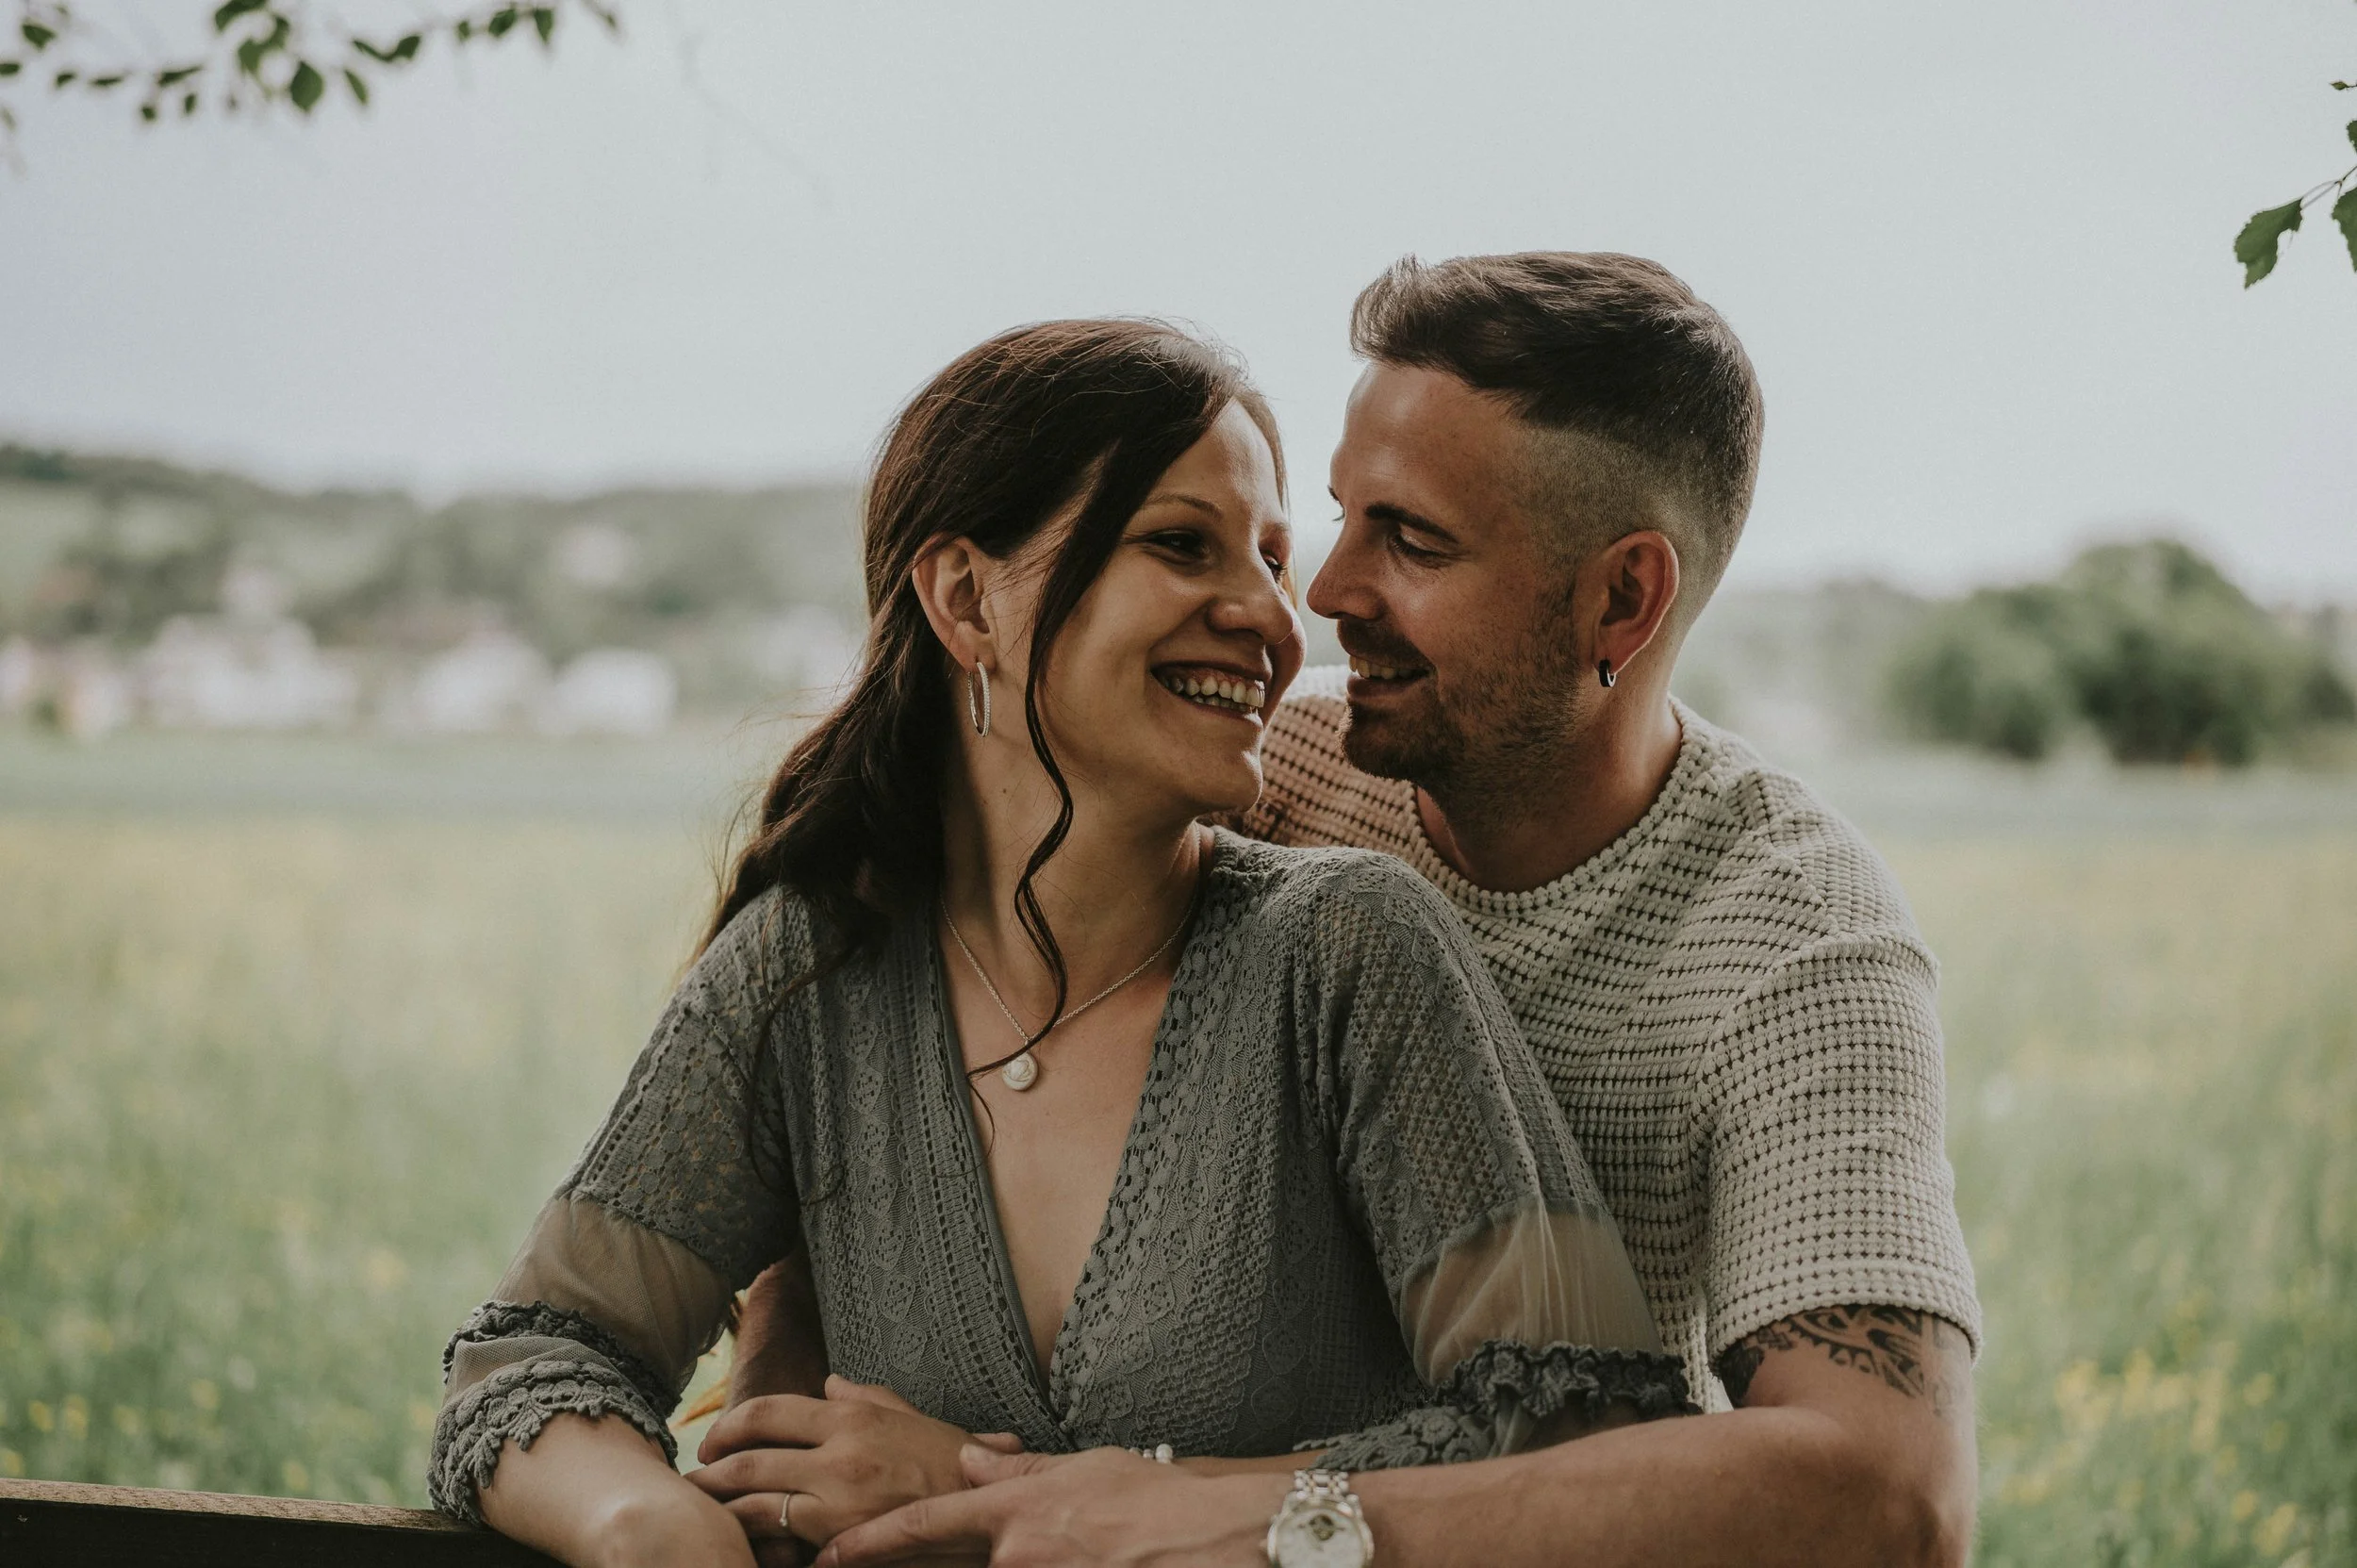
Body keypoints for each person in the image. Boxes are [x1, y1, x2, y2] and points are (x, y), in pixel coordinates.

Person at [425, 318, 1692, 1568]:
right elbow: (534, 1360)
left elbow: (1582, 1442)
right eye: (1184, 546)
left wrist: (1037, 1498)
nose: (1270, 614)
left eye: (1266, 555)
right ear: (968, 599)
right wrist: (648, 1526)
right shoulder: (809, 971)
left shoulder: (1348, 956)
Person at [793, 256, 1984, 1568]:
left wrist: (1235, 1516)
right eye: (1344, 516)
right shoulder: (1261, 792)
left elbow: (1890, 1497)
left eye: (1412, 539)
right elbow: (881, 1065)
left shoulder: (1795, 943)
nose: (1326, 591)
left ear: (1624, 599)